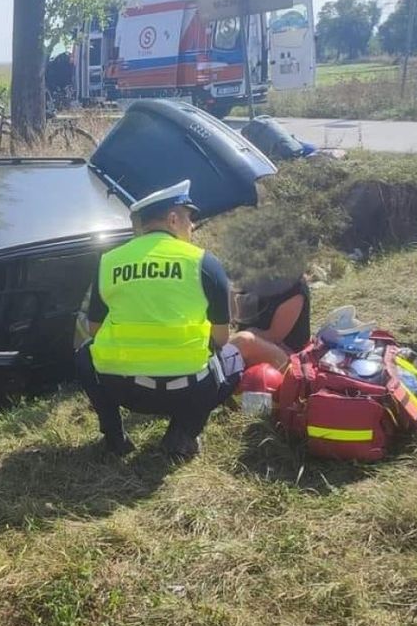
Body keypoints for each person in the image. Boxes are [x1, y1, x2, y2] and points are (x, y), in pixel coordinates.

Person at [74, 180, 249, 459]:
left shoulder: (109, 261)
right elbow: (221, 338)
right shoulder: (203, 262)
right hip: (187, 390)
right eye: (189, 219)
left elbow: (94, 329)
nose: (191, 227)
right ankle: (182, 434)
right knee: (234, 357)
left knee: (85, 356)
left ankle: (114, 437)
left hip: (124, 389)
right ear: (172, 219)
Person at [230, 275, 311, 355]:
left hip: (284, 351)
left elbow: (274, 337)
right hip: (247, 340)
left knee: (244, 339)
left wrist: (240, 338)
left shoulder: (294, 289)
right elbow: (233, 312)